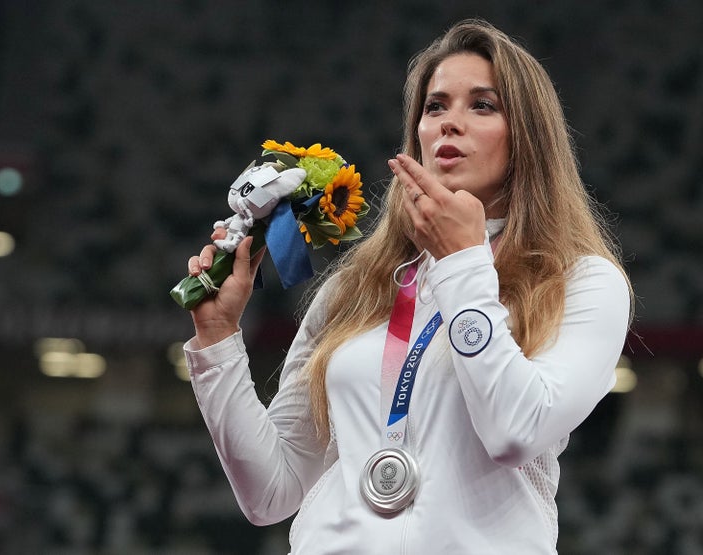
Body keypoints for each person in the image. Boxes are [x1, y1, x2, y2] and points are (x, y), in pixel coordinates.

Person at [183, 18, 632, 554]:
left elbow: (516, 431)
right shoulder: (355, 289)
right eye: (435, 106)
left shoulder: (581, 282)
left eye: (482, 105)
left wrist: (464, 263)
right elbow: (270, 492)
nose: (449, 123)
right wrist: (218, 339)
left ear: (529, 137)